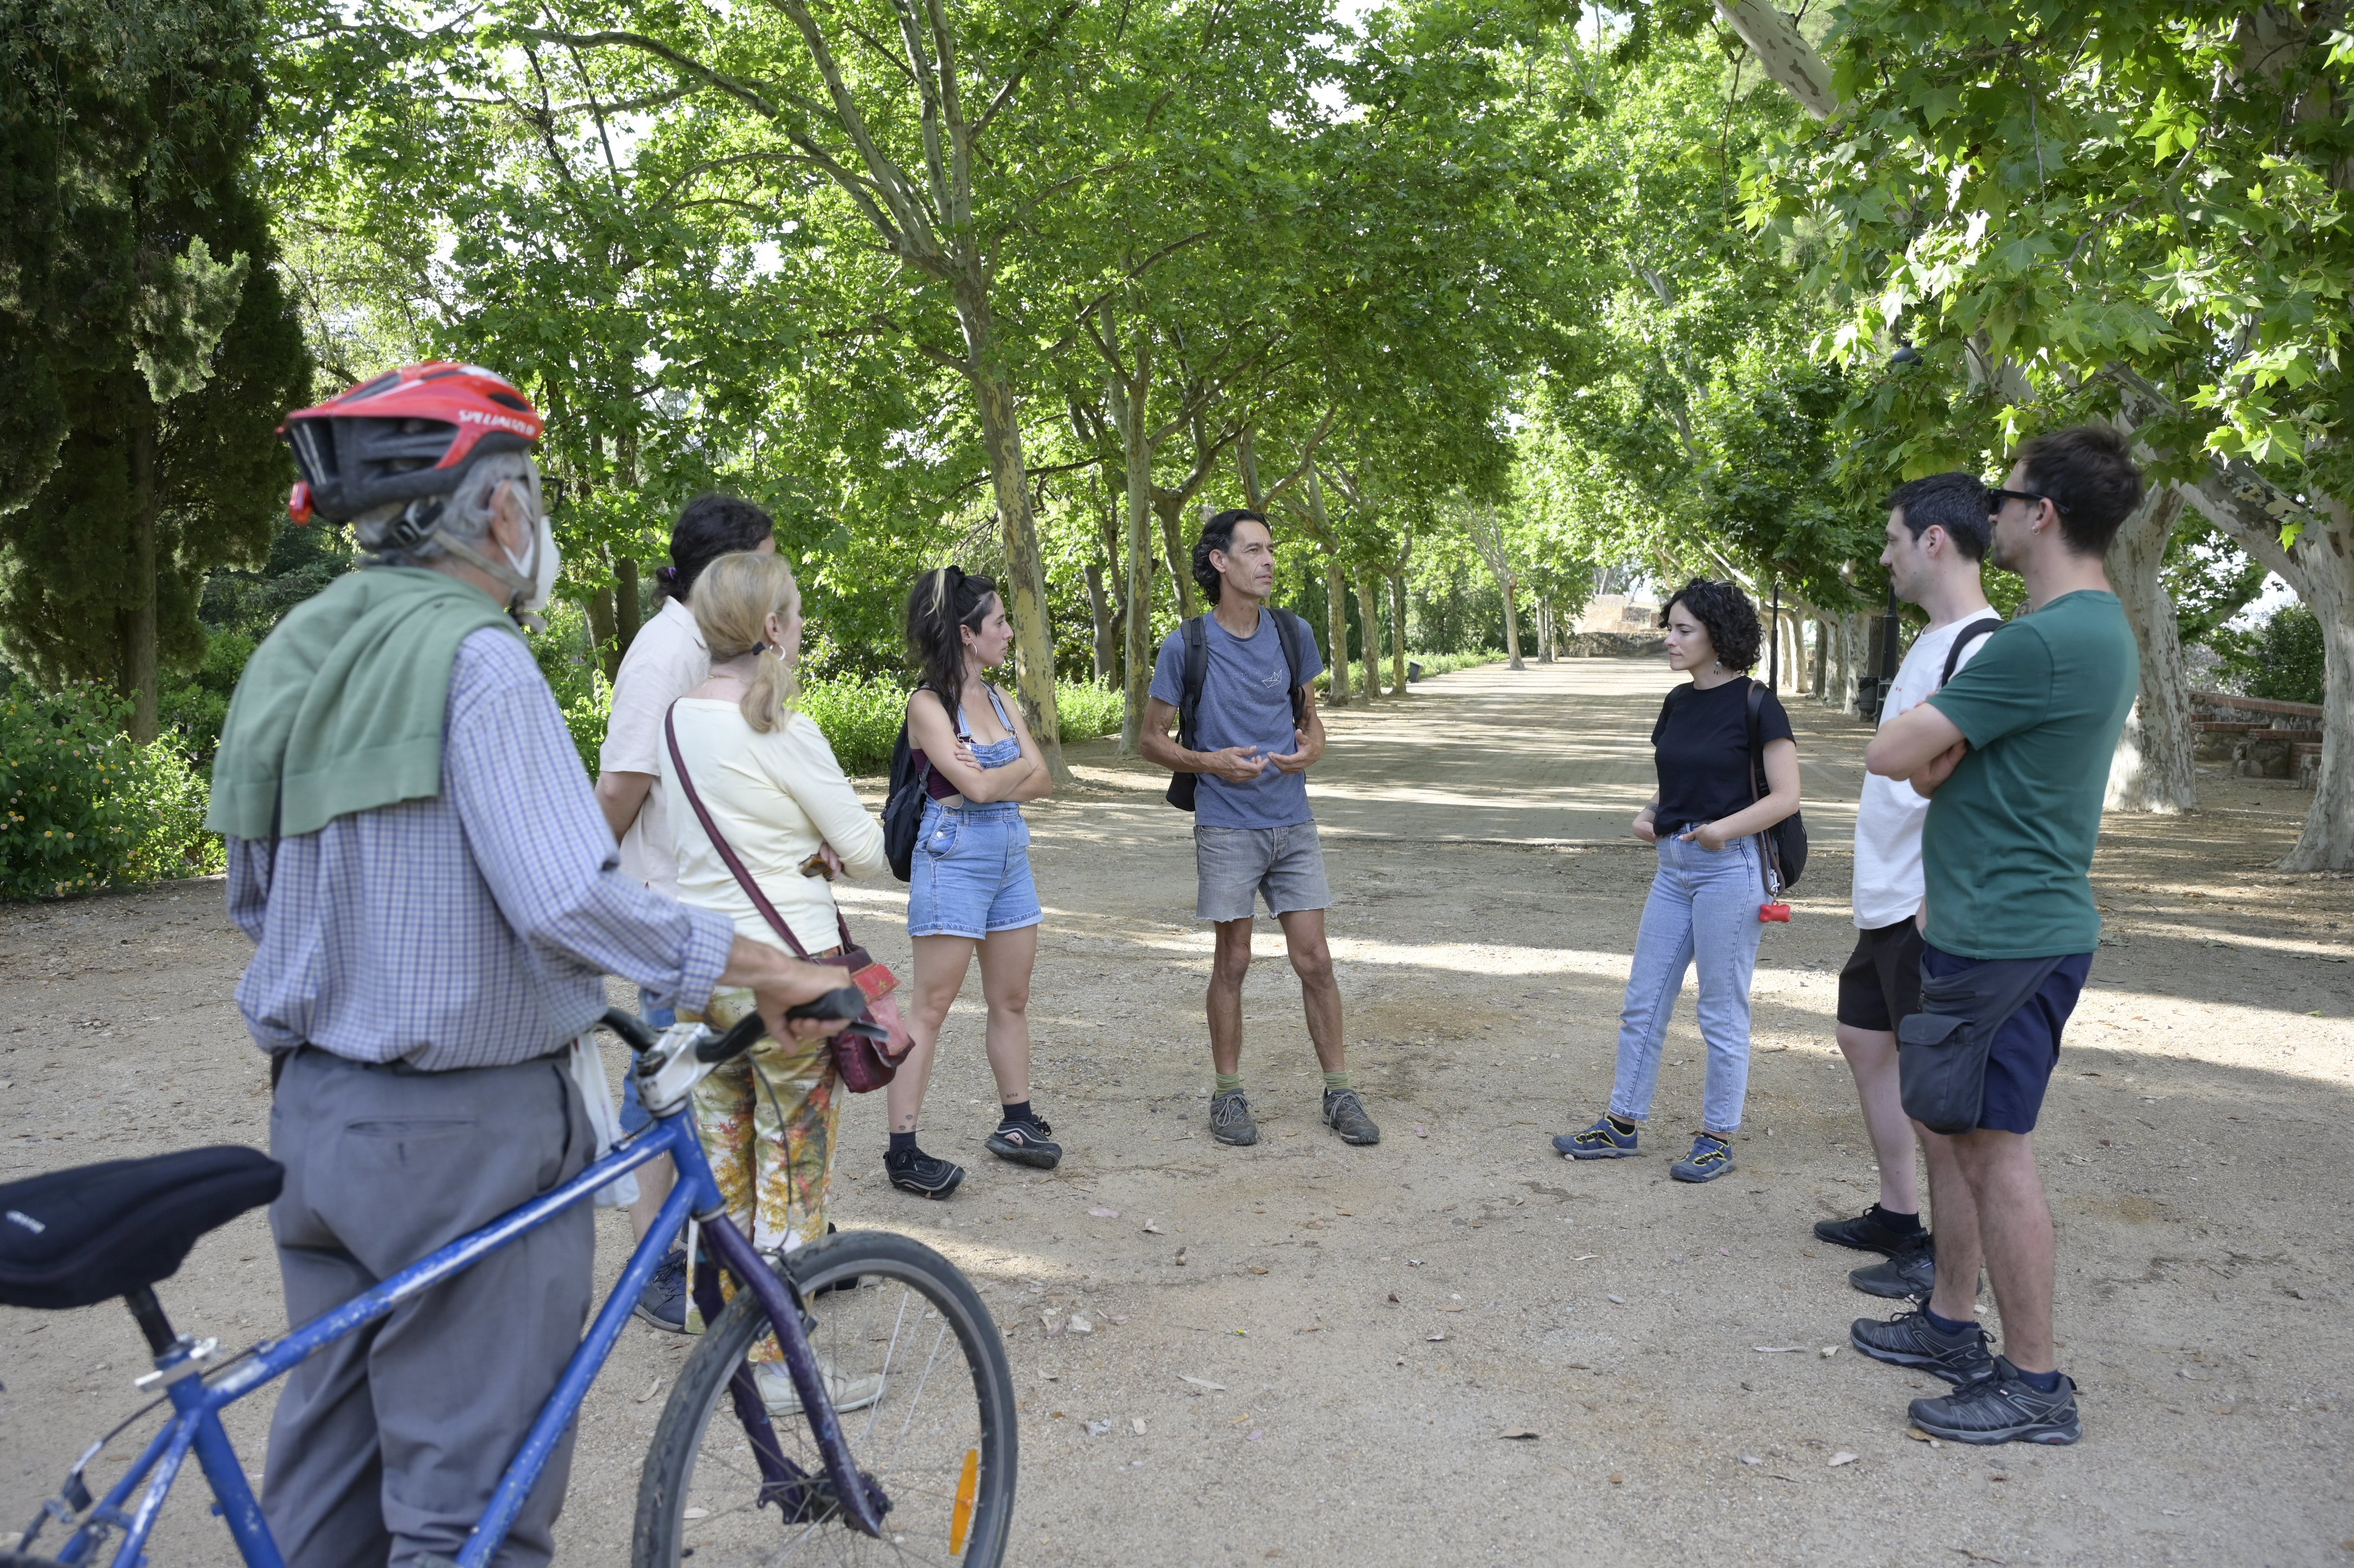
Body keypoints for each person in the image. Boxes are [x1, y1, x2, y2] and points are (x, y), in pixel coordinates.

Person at [214, 362, 847, 1568]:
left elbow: (255, 894)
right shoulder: (478, 656)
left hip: (319, 1118)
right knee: (473, 1517)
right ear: (502, 513)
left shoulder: (296, 650)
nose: (540, 526)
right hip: (466, 1136)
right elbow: (566, 899)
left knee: (328, 1502)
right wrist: (760, 964)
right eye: (536, 498)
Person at [1858, 424, 2143, 1446]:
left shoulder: (2041, 639)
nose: (1988, 511)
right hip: (1997, 927)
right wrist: (1944, 751)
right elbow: (1932, 760)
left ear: (2043, 514)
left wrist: (1936, 748)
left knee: (1993, 1152)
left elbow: (1896, 750)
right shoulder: (2094, 631)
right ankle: (1949, 1322)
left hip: (2009, 938)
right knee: (1964, 1138)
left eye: (2002, 494)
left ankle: (2031, 1382)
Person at [659, 550, 891, 1412]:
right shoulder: (783, 730)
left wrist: (793, 843)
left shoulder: (675, 721)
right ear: (770, 629)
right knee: (792, 1173)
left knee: (721, 1167)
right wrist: (817, 849)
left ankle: (721, 1341)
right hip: (787, 977)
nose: (800, 626)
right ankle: (779, 1363)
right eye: (793, 612)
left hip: (703, 970)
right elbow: (868, 854)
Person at [593, 492, 778, 1331]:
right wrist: (591, 890)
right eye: (767, 558)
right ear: (726, 571)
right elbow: (623, 785)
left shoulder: (711, 652)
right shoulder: (662, 653)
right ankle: (653, 1266)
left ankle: (742, 1245)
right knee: (661, 1090)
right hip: (668, 912)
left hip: (711, 910)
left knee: (715, 1079)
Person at [1140, 509, 1380, 1148]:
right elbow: (1150, 739)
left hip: (1292, 820)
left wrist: (1315, 749)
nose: (1269, 561)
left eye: (1271, 549)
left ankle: (1340, 1091)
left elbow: (1311, 719)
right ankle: (1227, 1095)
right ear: (1221, 562)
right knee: (1234, 960)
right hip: (1226, 826)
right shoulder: (1184, 644)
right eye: (1254, 550)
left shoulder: (1291, 631)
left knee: (1317, 960)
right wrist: (1207, 761)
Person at [1818, 473, 2002, 1300]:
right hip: (1884, 894)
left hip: (1925, 901)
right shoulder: (1934, 640)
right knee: (1865, 1042)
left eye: (1894, 540)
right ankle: (1899, 1215)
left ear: (1934, 541)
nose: (1885, 556)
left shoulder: (1985, 646)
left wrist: (1942, 892)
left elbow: (1983, 788)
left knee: (1934, 1094)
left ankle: (1938, 1253)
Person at [1552, 578, 1800, 1184]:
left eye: (1684, 629)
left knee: (1720, 1008)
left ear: (1718, 636)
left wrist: (1720, 831)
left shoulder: (1757, 702)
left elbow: (1787, 796)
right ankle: (1621, 1122)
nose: (1671, 638)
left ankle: (1716, 1136)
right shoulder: (1678, 702)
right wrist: (1651, 813)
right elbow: (1681, 779)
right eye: (1671, 627)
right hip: (1674, 868)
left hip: (1731, 868)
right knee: (1644, 1000)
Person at [886, 566, 1056, 1198]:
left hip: (1010, 853)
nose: (1009, 633)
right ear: (965, 633)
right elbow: (986, 786)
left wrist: (1000, 771)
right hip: (951, 854)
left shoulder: (1002, 700)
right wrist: (1012, 764)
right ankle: (903, 1150)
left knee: (1011, 998)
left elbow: (1042, 780)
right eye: (999, 623)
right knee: (930, 1007)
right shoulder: (927, 705)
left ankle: (1017, 1123)